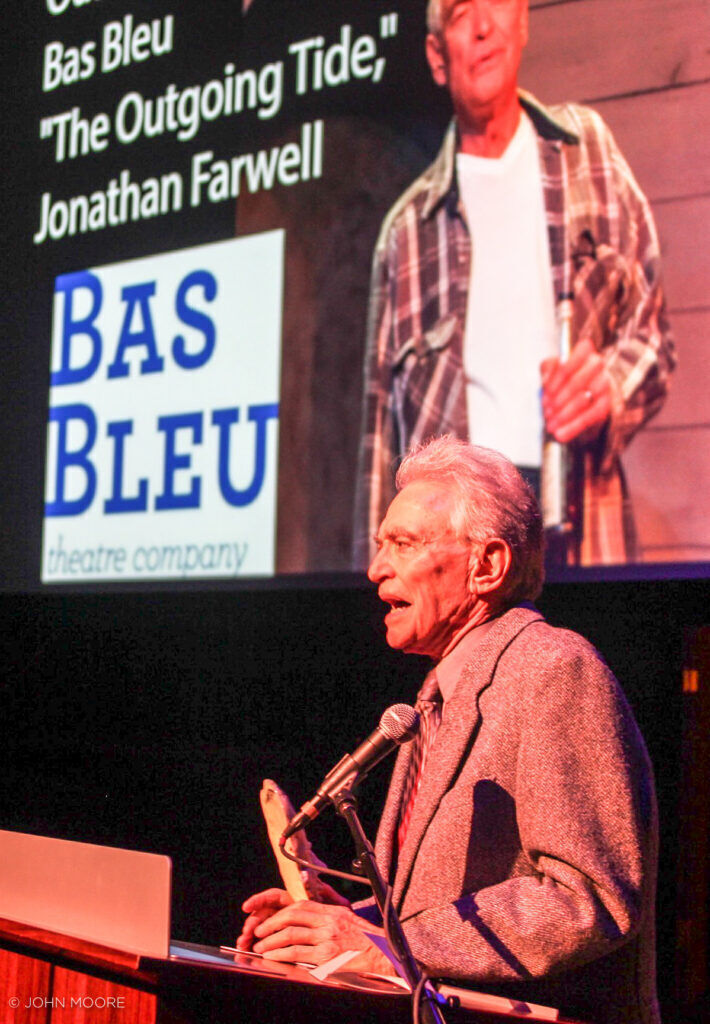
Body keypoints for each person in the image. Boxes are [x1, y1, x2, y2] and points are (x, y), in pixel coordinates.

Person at [239, 436, 660, 1024]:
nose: (375, 568)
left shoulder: (554, 670)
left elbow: (586, 899)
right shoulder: (434, 698)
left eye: (402, 544)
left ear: (486, 565)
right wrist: (349, 922)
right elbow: (436, 912)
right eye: (381, 545)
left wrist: (393, 948)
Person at [353, 0, 676, 570]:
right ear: (437, 55)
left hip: (581, 526)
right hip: (453, 557)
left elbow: (652, 336)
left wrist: (610, 388)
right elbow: (381, 450)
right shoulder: (405, 232)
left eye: (497, 4)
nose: (482, 26)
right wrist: (376, 581)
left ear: (523, 18)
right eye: (459, 14)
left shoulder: (588, 151)